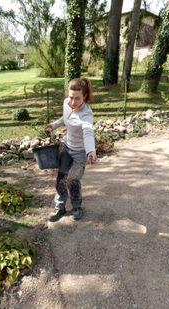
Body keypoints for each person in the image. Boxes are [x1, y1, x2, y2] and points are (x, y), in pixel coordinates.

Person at [45, 77, 97, 222]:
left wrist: (91, 151)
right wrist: (54, 125)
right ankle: (59, 207)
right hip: (67, 147)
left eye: (77, 98)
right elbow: (66, 117)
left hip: (80, 152)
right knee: (61, 178)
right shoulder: (67, 104)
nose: (73, 102)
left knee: (73, 180)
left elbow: (88, 132)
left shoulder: (87, 114)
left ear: (85, 97)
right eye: (71, 97)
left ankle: (76, 206)